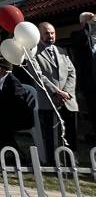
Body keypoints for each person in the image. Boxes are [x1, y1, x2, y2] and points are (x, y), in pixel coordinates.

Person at [32, 22, 78, 165]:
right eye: (47, 33)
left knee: (71, 133)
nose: (50, 36)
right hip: (48, 100)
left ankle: (72, 162)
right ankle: (53, 163)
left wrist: (66, 92)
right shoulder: (33, 53)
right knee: (51, 135)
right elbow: (38, 75)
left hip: (67, 100)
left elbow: (72, 72)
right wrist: (56, 91)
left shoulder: (62, 51)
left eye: (52, 33)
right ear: (40, 35)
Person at [0, 55, 37, 154]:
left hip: (19, 118)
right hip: (7, 117)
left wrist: (0, 108)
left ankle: (15, 154)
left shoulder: (13, 82)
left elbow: (18, 102)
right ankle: (14, 153)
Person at [66, 13, 96, 140]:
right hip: (91, 84)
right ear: (83, 24)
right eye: (93, 23)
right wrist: (88, 29)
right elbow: (79, 42)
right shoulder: (78, 35)